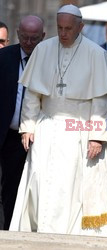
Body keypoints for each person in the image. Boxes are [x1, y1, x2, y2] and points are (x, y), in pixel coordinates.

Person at [9, 4, 107, 237]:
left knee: (69, 186)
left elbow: (101, 102)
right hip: (46, 126)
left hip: (78, 130)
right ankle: (37, 230)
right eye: (60, 28)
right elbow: (33, 95)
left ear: (81, 27)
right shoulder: (43, 49)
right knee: (39, 181)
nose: (64, 33)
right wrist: (27, 126)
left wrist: (96, 136)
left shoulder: (96, 54)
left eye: (68, 28)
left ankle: (68, 235)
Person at [0, 15, 45, 230]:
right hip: (4, 131)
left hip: (30, 136)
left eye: (34, 39)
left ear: (43, 37)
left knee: (18, 187)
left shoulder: (48, 60)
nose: (28, 43)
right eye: (25, 37)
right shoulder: (4, 57)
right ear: (17, 35)